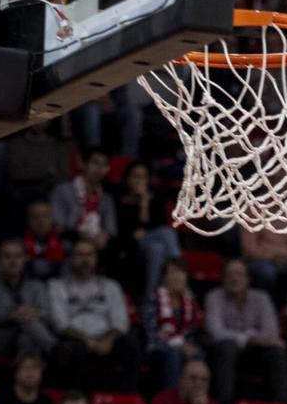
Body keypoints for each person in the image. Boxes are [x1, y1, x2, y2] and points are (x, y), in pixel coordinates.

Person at [47, 239, 140, 392]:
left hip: (106, 339)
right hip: (75, 340)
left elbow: (120, 320)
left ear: (96, 258)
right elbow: (60, 323)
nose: (85, 260)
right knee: (73, 350)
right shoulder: (57, 286)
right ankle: (77, 398)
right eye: (79, 255)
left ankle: (126, 398)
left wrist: (108, 340)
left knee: (131, 346)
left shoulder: (111, 286)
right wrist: (87, 341)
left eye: (89, 255)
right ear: (71, 259)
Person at [205, 258, 287, 404]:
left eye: (239, 274)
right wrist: (251, 338)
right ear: (223, 279)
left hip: (254, 354)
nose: (234, 278)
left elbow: (271, 332)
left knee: (277, 352)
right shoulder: (214, 297)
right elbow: (216, 332)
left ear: (248, 279)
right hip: (222, 354)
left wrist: (249, 340)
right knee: (227, 347)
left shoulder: (261, 298)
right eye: (230, 274)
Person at [0, 238, 57, 358]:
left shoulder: (36, 285)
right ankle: (54, 349)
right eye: (7, 256)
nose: (13, 261)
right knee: (28, 323)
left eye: (18, 256)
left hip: (30, 334)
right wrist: (14, 314)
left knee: (27, 337)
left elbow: (47, 314)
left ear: (25, 259)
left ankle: (28, 367)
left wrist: (33, 312)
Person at [114, 161, 181, 297]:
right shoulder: (120, 202)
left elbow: (155, 226)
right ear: (127, 179)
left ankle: (150, 298)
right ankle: (179, 271)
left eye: (143, 177)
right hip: (130, 247)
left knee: (157, 249)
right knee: (167, 233)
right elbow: (127, 233)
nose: (140, 181)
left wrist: (144, 202)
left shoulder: (156, 200)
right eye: (135, 176)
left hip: (150, 245)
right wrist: (141, 228)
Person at [144, 258, 204, 390]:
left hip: (184, 346)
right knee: (173, 356)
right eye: (172, 273)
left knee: (198, 354)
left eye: (181, 273)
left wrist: (188, 346)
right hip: (158, 347)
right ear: (164, 277)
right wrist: (178, 346)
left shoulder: (190, 302)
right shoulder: (154, 299)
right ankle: (172, 397)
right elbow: (152, 333)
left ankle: (196, 395)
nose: (177, 277)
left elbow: (191, 332)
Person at [51, 149, 117, 250]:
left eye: (104, 165)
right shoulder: (63, 190)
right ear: (83, 164)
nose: (99, 169)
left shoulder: (107, 198)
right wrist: (83, 237)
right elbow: (58, 226)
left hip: (97, 247)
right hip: (69, 242)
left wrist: (104, 236)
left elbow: (111, 229)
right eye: (95, 163)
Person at [240, 223, 287, 300]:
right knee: (267, 272)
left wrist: (285, 259)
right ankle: (266, 302)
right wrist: (274, 258)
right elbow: (250, 249)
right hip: (259, 259)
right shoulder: (253, 217)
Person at [25, 200, 67, 280]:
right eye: (36, 217)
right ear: (28, 220)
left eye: (45, 216)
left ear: (52, 219)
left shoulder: (65, 244)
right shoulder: (20, 246)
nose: (41, 221)